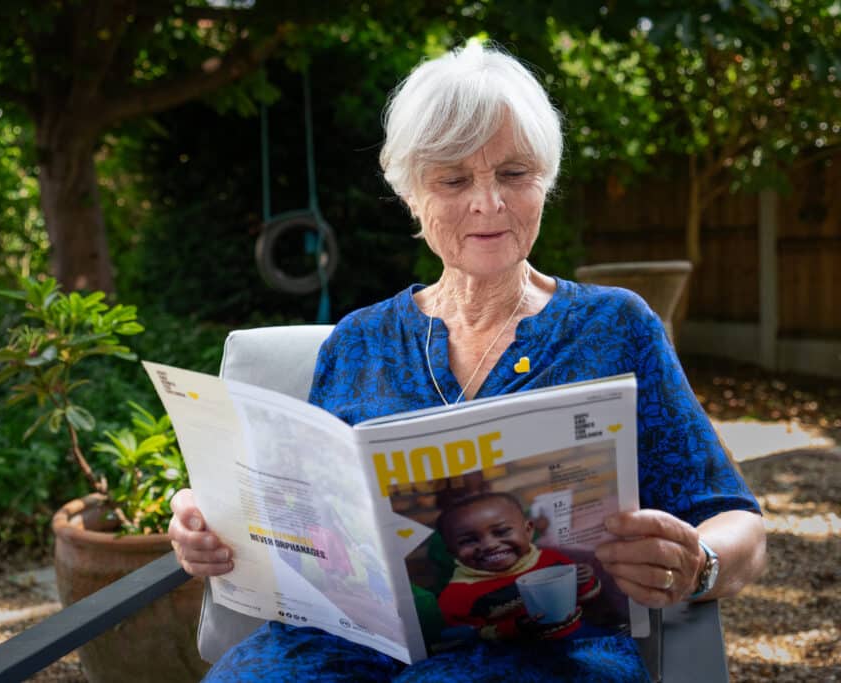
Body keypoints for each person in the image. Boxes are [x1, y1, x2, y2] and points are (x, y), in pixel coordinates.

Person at [169, 40, 766, 682]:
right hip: (339, 652)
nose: (489, 203)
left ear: (546, 178)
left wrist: (697, 562)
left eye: (513, 173)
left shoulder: (614, 325)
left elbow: (740, 526)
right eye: (454, 180)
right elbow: (302, 519)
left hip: (545, 650)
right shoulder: (359, 340)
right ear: (410, 196)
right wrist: (211, 525)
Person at [434, 492, 600, 641]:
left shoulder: (551, 560)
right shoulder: (456, 596)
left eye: (501, 532)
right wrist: (513, 628)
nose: (490, 545)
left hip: (578, 637)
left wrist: (584, 581)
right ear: (452, 552)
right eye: (468, 541)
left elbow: (587, 599)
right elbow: (460, 640)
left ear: (528, 531)